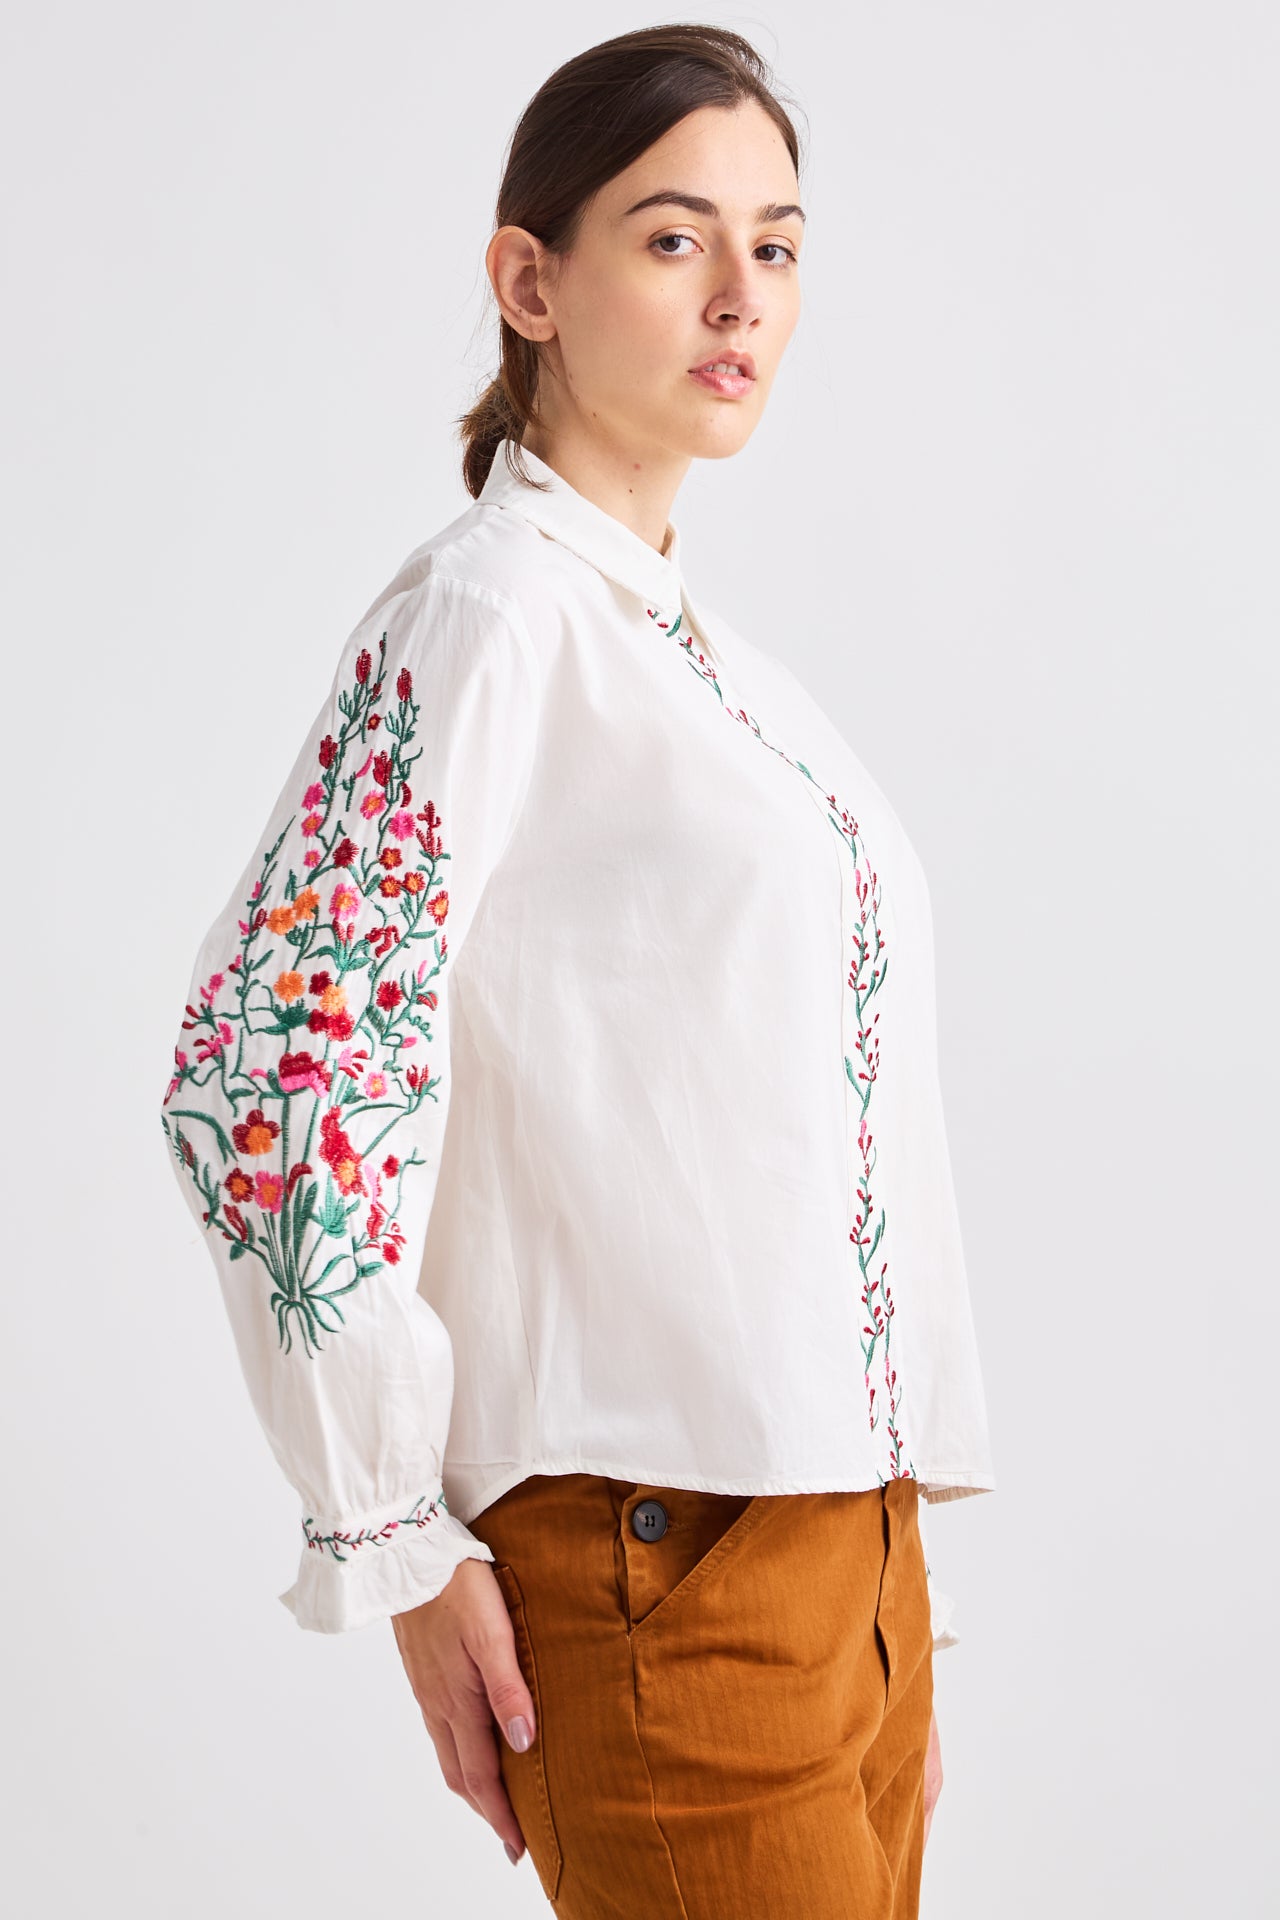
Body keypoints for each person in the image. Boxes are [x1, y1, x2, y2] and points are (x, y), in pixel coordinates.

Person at [161, 23, 996, 1918]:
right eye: (676, 238)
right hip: (657, 1570)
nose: (743, 298)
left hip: (840, 1566)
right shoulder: (493, 616)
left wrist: (878, 1589)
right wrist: (392, 1530)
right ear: (531, 281)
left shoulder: (708, 663)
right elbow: (273, 1072)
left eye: (778, 248)